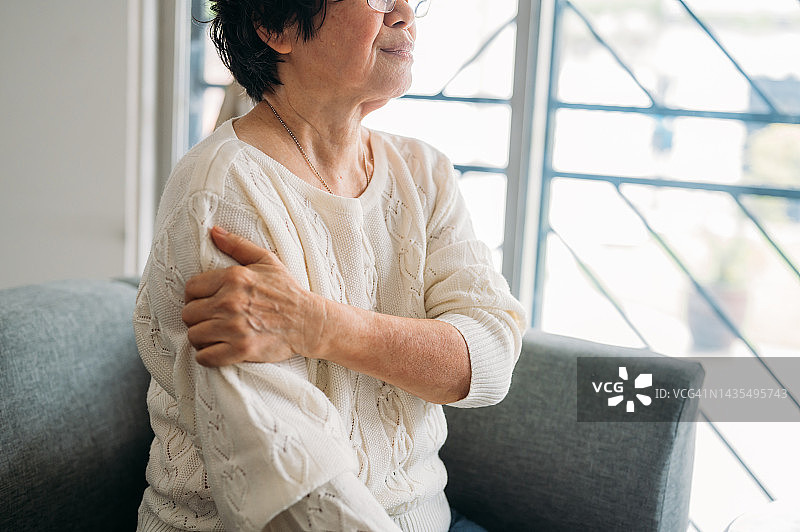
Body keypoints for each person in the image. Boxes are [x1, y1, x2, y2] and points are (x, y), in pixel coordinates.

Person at [134, 0, 526, 530]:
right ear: (276, 27)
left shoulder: (424, 172)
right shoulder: (224, 191)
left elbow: (491, 360)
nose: (406, 13)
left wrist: (316, 324)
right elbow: (291, 483)